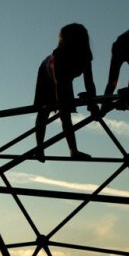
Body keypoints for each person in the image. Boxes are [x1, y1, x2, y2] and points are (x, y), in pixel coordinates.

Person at [34, 23, 98, 161]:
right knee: (46, 111)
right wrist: (61, 104)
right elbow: (59, 84)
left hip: (65, 78)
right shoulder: (59, 56)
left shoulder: (85, 56)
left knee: (66, 112)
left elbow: (89, 82)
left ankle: (73, 151)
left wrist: (93, 102)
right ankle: (39, 148)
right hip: (47, 75)